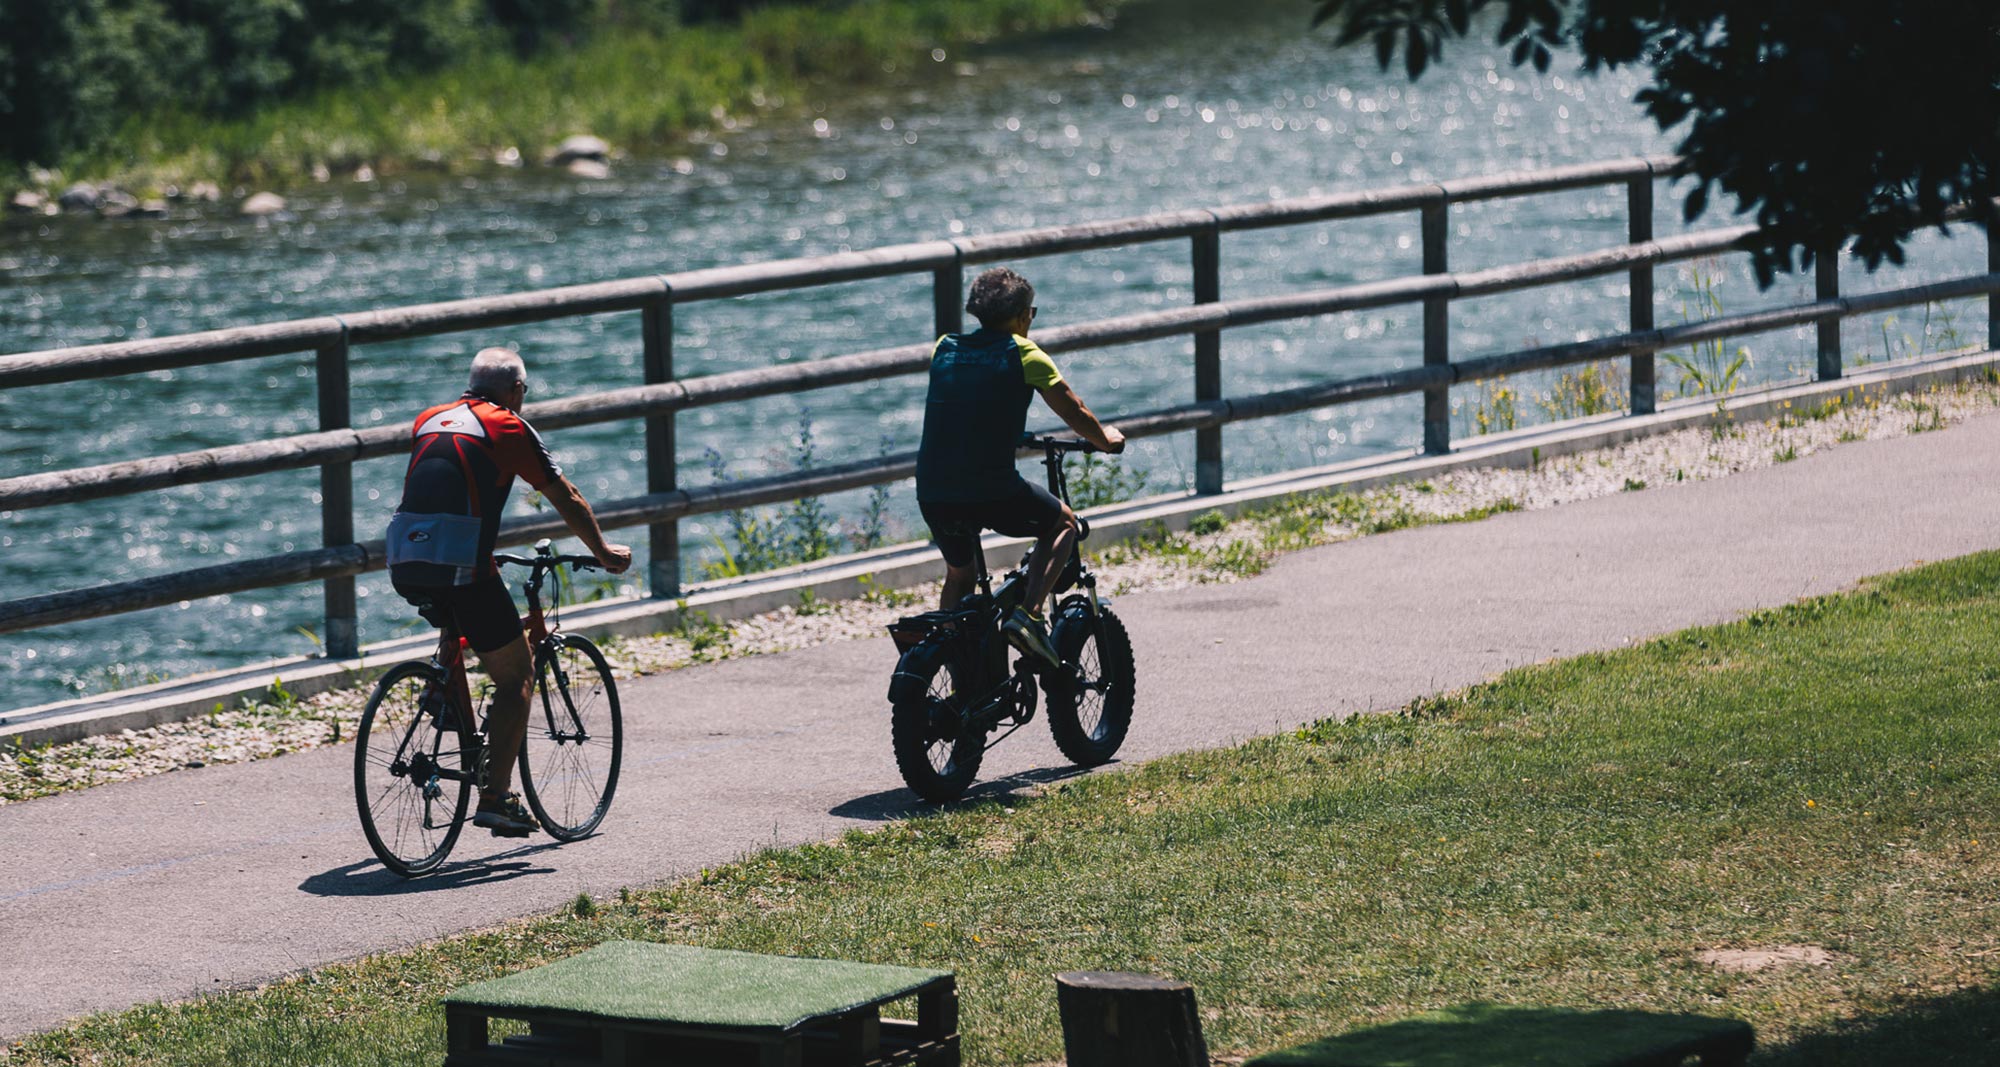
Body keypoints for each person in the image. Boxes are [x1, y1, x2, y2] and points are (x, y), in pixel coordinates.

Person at [386, 347, 632, 837]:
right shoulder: (508, 426)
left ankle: (444, 692)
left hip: (404, 557)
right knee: (517, 677)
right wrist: (603, 551)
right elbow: (565, 495)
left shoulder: (428, 419)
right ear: (517, 390)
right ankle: (496, 798)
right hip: (462, 565)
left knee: (459, 617)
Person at [915, 267, 1125, 667]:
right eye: (1031, 312)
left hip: (933, 490)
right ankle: (1028, 617)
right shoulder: (1025, 353)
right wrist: (1107, 440)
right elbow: (1075, 412)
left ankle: (954, 666)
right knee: (1063, 523)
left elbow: (968, 401)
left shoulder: (945, 347)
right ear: (1021, 316)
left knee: (960, 575)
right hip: (990, 489)